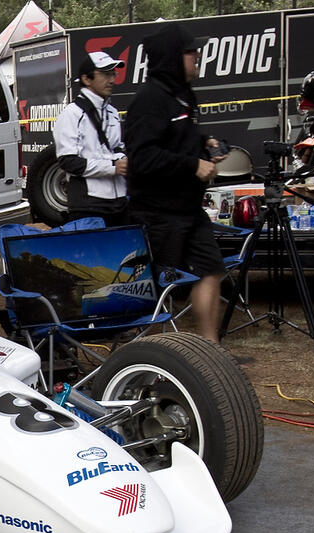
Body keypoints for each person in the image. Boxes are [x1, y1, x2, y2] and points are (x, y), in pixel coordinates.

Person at [125, 23, 227, 343]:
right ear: (171, 57)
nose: (197, 57)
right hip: (158, 214)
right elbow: (141, 158)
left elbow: (178, 137)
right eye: (190, 52)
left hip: (189, 208)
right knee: (157, 288)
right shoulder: (149, 100)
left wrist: (206, 143)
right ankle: (149, 355)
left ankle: (211, 349)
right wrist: (192, 164)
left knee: (212, 270)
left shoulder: (182, 94)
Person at [53, 51, 128, 226]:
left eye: (113, 74)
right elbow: (68, 161)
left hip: (119, 202)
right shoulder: (71, 114)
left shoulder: (112, 112)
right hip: (88, 205)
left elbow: (116, 147)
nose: (112, 80)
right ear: (87, 79)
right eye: (105, 74)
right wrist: (112, 167)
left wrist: (124, 159)